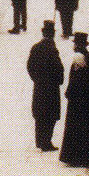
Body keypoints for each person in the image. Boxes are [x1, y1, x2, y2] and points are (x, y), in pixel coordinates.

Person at [59, 33, 89, 168]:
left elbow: (76, 78)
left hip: (79, 98)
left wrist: (69, 92)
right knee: (84, 126)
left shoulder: (79, 57)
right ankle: (84, 156)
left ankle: (76, 157)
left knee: (76, 127)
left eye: (75, 43)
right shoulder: (86, 55)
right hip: (86, 96)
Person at [26, 21, 65, 151]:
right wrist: (58, 80)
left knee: (40, 114)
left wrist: (36, 79)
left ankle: (40, 140)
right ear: (53, 34)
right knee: (50, 115)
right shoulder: (52, 49)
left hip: (39, 87)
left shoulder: (36, 47)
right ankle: (46, 142)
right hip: (51, 88)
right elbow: (58, 68)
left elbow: (29, 66)